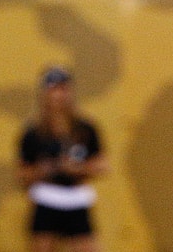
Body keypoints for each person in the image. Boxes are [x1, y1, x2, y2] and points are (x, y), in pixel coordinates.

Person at [17, 67, 108, 252]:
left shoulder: (85, 129)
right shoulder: (33, 134)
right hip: (46, 198)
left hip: (76, 198)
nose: (58, 95)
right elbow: (22, 173)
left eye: (63, 89)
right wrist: (42, 171)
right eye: (53, 89)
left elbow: (102, 165)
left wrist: (78, 169)